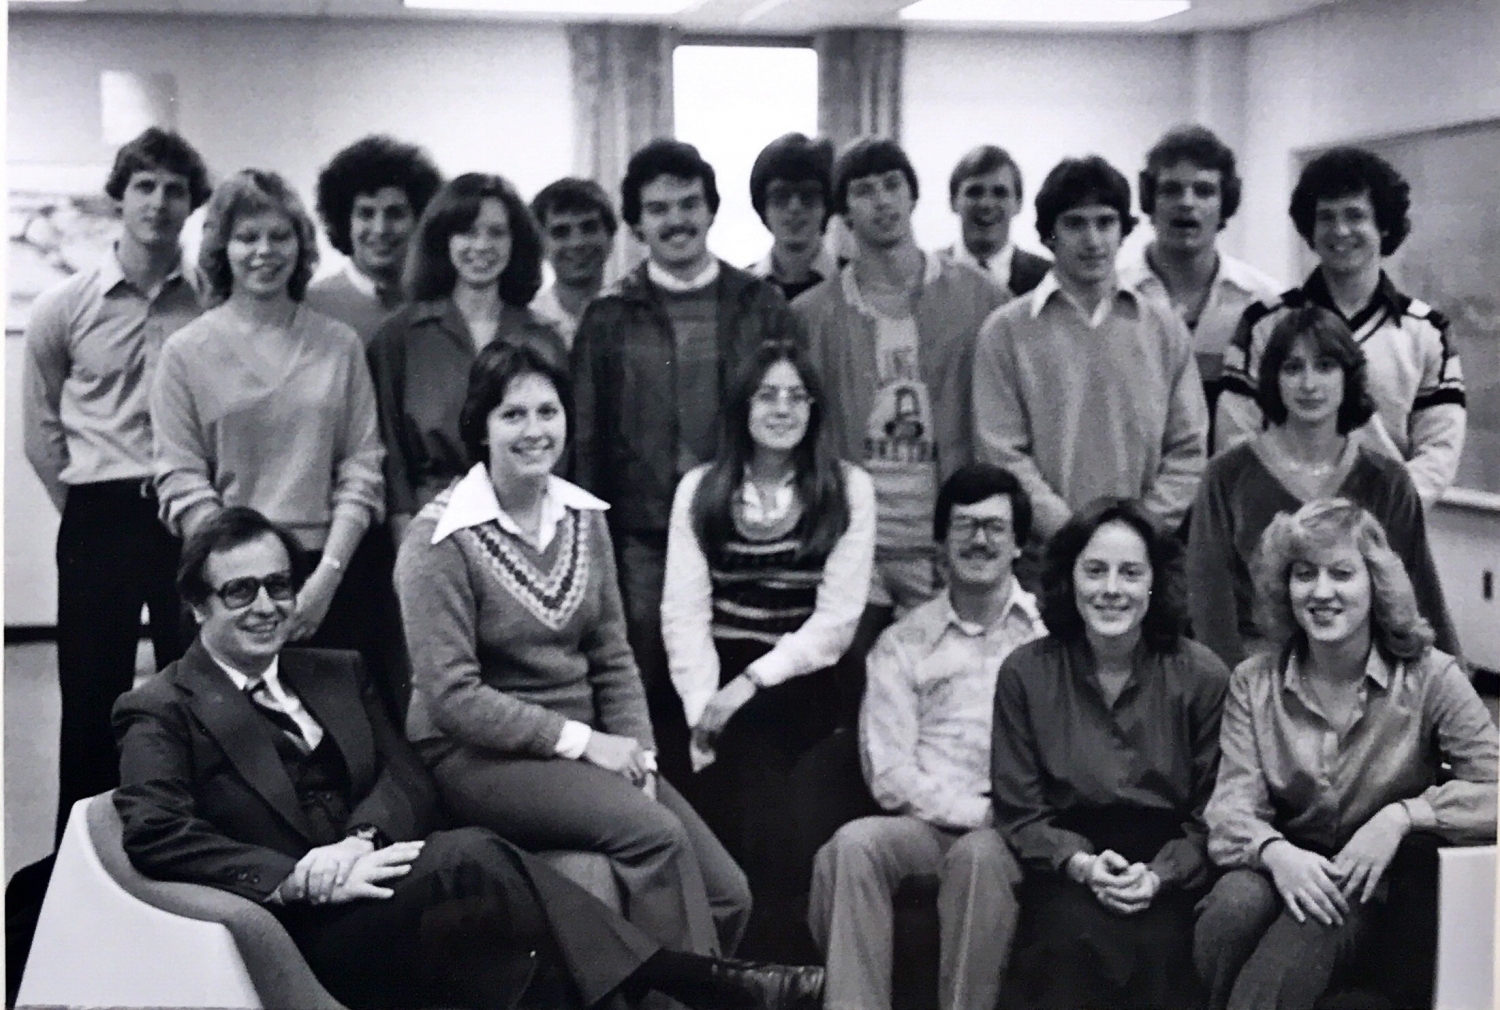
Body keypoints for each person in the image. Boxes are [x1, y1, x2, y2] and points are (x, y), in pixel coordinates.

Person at [113, 506, 824, 1010]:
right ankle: (698, 983)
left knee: (517, 957)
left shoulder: (334, 670)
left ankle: (686, 988)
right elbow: (154, 830)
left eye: (278, 585)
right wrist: (298, 877)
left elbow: (407, 777)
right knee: (473, 856)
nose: (266, 605)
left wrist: (362, 840)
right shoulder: (162, 706)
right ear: (197, 606)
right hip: (307, 922)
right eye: (240, 591)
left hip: (386, 874)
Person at [397, 340, 755, 959]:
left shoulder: (583, 517)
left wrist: (638, 754)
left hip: (589, 747)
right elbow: (452, 696)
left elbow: (612, 654)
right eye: (512, 415)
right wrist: (587, 744)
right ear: (479, 429)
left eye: (548, 411)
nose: (535, 430)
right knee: (657, 838)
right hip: (474, 754)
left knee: (729, 894)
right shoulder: (437, 539)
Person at [1195, 499, 1497, 1010]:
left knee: (1292, 956)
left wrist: (1404, 815)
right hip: (1282, 861)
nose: (1321, 591)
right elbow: (1230, 810)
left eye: (1341, 573)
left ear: (1375, 584)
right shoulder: (1254, 682)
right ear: (1283, 587)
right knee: (1231, 911)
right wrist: (1277, 854)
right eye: (1304, 574)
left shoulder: (1430, 677)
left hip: (1373, 879)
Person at [571, 138, 805, 785]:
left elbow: (794, 421)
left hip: (743, 528)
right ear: (636, 221)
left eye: (689, 203)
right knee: (646, 685)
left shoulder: (761, 306)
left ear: (711, 209)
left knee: (740, 682)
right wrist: (596, 553)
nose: (676, 220)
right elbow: (585, 444)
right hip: (642, 540)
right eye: (658, 208)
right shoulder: (608, 315)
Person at [22, 127, 211, 841]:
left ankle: (185, 839)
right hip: (100, 513)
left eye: (175, 189)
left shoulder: (210, 303)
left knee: (192, 688)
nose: (159, 203)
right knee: (93, 694)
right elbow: (39, 432)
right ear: (119, 197)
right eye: (145, 186)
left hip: (189, 515)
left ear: (192, 204)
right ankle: (81, 857)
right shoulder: (64, 308)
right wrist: (88, 512)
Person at [149, 169, 395, 715]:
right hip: (225, 578)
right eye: (247, 236)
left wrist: (323, 581)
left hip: (327, 575)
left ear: (301, 246)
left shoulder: (339, 345)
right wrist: (240, 584)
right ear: (223, 247)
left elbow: (362, 467)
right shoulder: (185, 352)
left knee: (337, 742)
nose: (264, 251)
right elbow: (181, 477)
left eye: (279, 236)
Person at [809, 463, 1045, 1010]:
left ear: (1017, 546)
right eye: (964, 526)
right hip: (926, 826)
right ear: (940, 543)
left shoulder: (1047, 640)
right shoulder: (902, 643)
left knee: (980, 856)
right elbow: (889, 776)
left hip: (1013, 829)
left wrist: (1005, 818)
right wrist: (972, 812)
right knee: (851, 847)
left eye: (995, 527)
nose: (979, 540)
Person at [661, 343, 875, 941]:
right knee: (715, 800)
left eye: (796, 396)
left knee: (771, 805)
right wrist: (704, 708)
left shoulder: (846, 488)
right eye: (767, 394)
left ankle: (772, 963)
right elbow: (684, 614)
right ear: (742, 407)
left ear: (814, 409)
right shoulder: (701, 489)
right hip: (709, 674)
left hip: (799, 676)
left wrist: (744, 689)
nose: (782, 409)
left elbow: (834, 625)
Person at [795, 137, 1008, 720]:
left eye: (892, 185)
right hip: (856, 546)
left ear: (914, 195)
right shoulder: (812, 315)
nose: (881, 201)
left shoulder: (982, 298)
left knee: (954, 699)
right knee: (848, 701)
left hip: (947, 542)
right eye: (863, 191)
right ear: (843, 212)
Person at [991, 497, 1230, 1010]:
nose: (1111, 590)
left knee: (1161, 955)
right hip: (1067, 864)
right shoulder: (1023, 674)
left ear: (1154, 582)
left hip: (1169, 869)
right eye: (1095, 571)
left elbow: (1216, 815)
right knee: (1066, 950)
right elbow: (1020, 812)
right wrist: (1079, 864)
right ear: (1069, 578)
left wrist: (1160, 875)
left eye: (1130, 572)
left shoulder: (1205, 676)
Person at [1188, 304, 1458, 669]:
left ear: (1349, 377)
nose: (1309, 384)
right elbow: (1209, 606)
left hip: (1363, 679)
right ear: (1273, 378)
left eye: (1325, 366)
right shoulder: (1226, 475)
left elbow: (1418, 597)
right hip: (1255, 678)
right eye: (1293, 367)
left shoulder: (1387, 480)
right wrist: (1237, 694)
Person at [973, 155, 1208, 544]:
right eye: (1075, 223)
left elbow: (1188, 450)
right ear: (1050, 233)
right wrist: (1074, 538)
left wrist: (1135, 533)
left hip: (1145, 560)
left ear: (1123, 230)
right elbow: (1002, 455)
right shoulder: (1004, 333)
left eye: (1105, 222)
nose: (1093, 240)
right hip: (1041, 563)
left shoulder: (1164, 329)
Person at [1218, 147, 1465, 507]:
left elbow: (1438, 451)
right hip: (1282, 529)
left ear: (1383, 225)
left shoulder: (1427, 331)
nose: (1340, 230)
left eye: (1355, 215)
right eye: (1326, 217)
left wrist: (1373, 514)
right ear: (1310, 227)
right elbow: (1236, 435)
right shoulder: (1263, 322)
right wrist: (1297, 512)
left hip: (1387, 534)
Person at [367, 173, 567, 550]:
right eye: (467, 232)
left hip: (525, 523)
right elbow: (390, 456)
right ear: (443, 240)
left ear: (516, 243)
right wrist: (407, 543)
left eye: (496, 233)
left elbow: (562, 452)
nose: (481, 246)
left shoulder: (544, 339)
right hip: (434, 528)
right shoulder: (399, 338)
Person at [1118, 125, 1280, 447]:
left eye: (1204, 191)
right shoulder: (1114, 295)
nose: (1186, 203)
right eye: (1171, 190)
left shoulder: (1265, 302)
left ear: (1225, 203)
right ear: (1151, 200)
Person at [306, 134, 444, 343]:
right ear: (344, 222)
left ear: (421, 219)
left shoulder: (440, 303)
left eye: (395, 213)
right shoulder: (311, 307)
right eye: (366, 214)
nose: (380, 229)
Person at [938, 144, 1051, 297]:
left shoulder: (1047, 279)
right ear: (953, 201)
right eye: (974, 192)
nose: (986, 204)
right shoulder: (929, 274)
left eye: (1000, 193)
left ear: (1018, 204)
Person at [747, 132, 840, 303]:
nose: (794, 207)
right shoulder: (739, 291)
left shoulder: (857, 284)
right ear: (763, 205)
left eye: (808, 195)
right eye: (781, 195)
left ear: (826, 204)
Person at [528, 177, 618, 349]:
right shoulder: (528, 324)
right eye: (560, 232)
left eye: (589, 228)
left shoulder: (636, 318)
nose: (577, 243)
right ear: (539, 245)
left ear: (610, 236)